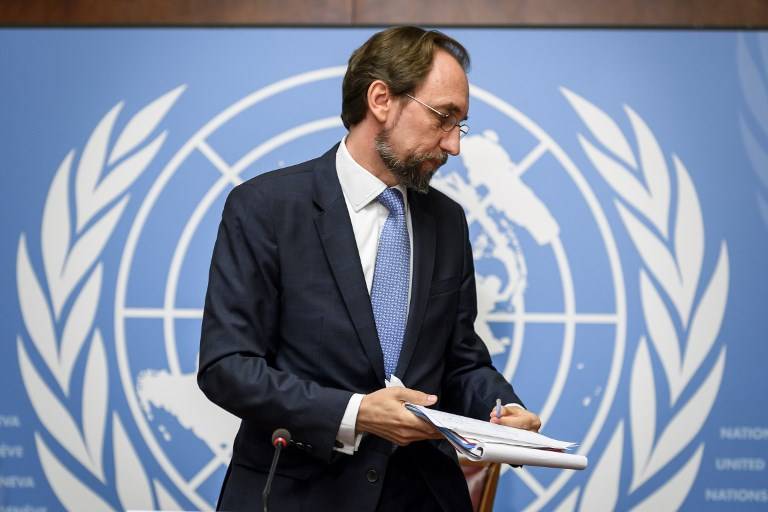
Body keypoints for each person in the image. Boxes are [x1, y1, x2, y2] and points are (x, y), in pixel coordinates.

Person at [198, 26, 541, 512]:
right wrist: (356, 413)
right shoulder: (266, 208)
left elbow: (461, 360)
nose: (453, 145)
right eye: (444, 117)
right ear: (381, 99)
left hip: (421, 496)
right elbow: (227, 368)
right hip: (297, 494)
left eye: (460, 126)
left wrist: (503, 411)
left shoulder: (447, 221)